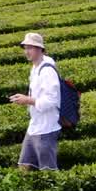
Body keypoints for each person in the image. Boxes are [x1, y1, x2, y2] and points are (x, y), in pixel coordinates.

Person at [8, 32, 61, 171]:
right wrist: (26, 99)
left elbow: (52, 100)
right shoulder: (35, 67)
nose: (26, 51)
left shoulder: (47, 71)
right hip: (35, 126)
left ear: (39, 49)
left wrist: (28, 100)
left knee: (48, 170)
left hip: (47, 128)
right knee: (24, 164)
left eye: (30, 48)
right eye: (25, 48)